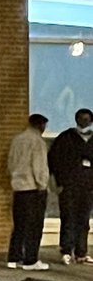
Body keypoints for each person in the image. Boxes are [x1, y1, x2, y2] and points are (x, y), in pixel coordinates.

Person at [48, 107, 93, 265]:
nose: (84, 122)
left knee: (84, 219)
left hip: (88, 187)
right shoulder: (66, 137)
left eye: (87, 120)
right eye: (81, 119)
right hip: (69, 186)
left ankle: (81, 252)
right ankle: (66, 250)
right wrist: (59, 182)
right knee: (68, 218)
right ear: (76, 120)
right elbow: (54, 160)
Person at [6, 113, 50, 270]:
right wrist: (42, 184)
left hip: (18, 187)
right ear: (41, 125)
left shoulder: (17, 139)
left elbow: (11, 162)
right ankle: (30, 260)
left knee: (19, 225)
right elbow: (39, 165)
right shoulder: (37, 141)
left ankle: (13, 257)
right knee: (34, 225)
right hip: (33, 188)